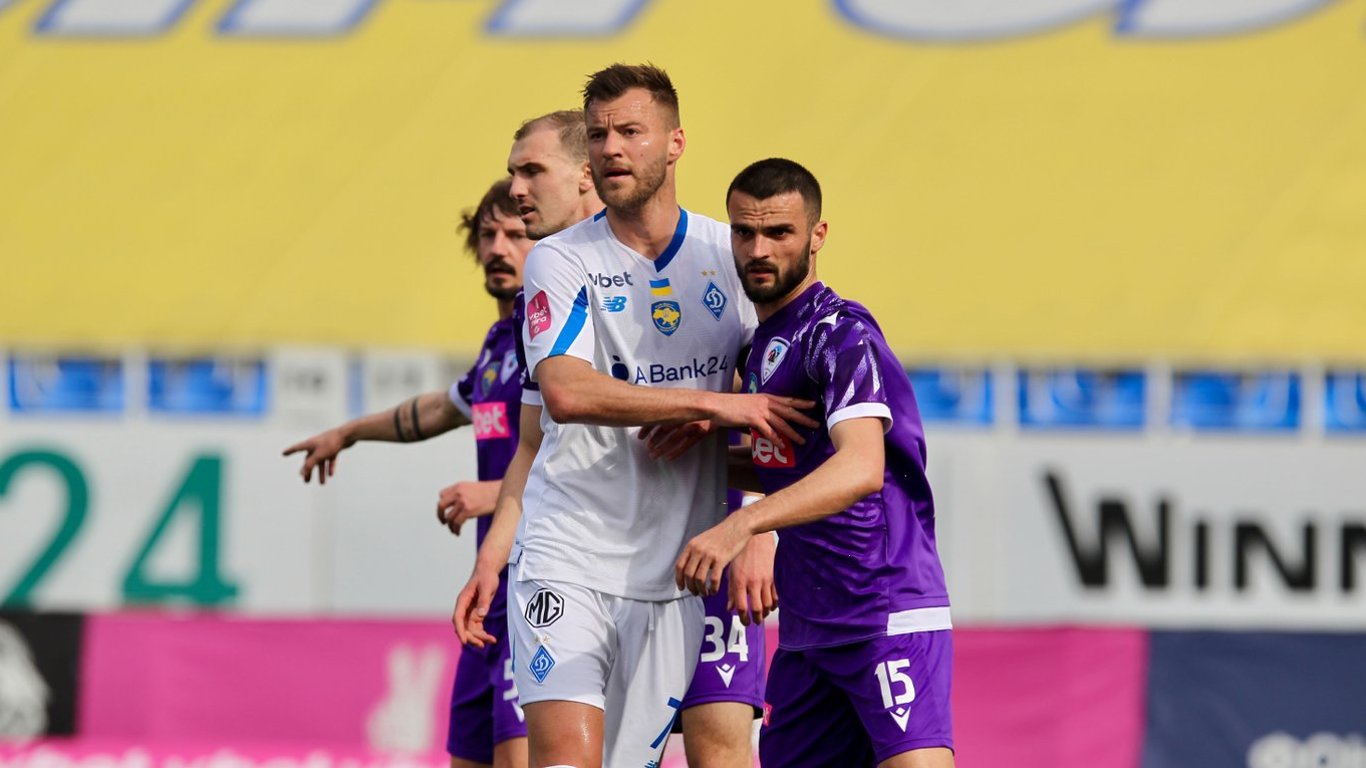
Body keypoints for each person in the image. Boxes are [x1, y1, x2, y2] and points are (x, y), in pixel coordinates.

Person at [461, 64, 813, 768]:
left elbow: (780, 402)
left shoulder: (728, 254)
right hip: (567, 555)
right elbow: (566, 393)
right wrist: (711, 401)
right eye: (598, 135)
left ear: (676, 142)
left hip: (674, 579)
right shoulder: (558, 260)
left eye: (630, 131)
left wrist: (759, 525)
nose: (612, 148)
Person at [675, 158, 956, 768]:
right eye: (745, 232)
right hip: (808, 630)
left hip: (881, 609)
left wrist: (742, 524)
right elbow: (791, 469)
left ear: (817, 236)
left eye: (779, 232)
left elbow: (860, 468)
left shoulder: (840, 333)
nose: (759, 250)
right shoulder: (761, 348)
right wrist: (700, 457)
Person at [283, 179, 535, 768]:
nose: (498, 248)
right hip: (488, 594)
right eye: (487, 235)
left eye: (515, 234)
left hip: (538, 588)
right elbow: (443, 408)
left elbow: (595, 448)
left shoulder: (547, 339)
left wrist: (495, 493)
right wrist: (350, 432)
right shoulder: (499, 344)